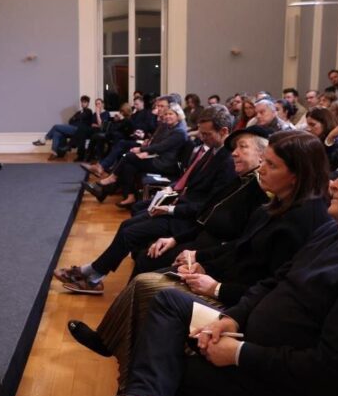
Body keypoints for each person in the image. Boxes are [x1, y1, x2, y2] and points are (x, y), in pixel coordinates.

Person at [55, 146, 338, 396]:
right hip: (253, 337)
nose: (333, 182)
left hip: (289, 389)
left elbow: (330, 373)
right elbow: (274, 281)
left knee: (166, 366)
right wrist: (231, 319)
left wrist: (239, 353)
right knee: (168, 302)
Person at [67, 131, 331, 389]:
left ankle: (132, 378)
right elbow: (239, 247)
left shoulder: (302, 218)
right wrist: (202, 261)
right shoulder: (277, 204)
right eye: (263, 161)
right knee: (144, 279)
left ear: (297, 174)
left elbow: (273, 286)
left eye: (271, 165)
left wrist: (216, 287)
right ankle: (114, 348)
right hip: (228, 280)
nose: (261, 169)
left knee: (150, 286)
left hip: (240, 302)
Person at [56, 106, 236, 295]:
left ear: (224, 131)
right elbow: (192, 184)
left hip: (186, 222)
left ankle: (92, 276)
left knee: (130, 232)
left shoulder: (227, 161)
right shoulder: (214, 151)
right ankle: (92, 273)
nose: (202, 138)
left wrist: (170, 209)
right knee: (126, 225)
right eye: (201, 133)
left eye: (207, 134)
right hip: (180, 209)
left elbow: (207, 207)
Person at [83, 103, 188, 208]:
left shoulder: (178, 131)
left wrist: (142, 150)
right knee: (129, 165)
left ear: (178, 115)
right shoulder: (172, 127)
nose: (167, 116)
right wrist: (146, 147)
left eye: (171, 114)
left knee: (129, 157)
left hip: (165, 165)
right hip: (159, 158)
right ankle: (128, 196)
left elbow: (161, 147)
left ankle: (112, 179)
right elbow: (159, 144)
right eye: (166, 114)